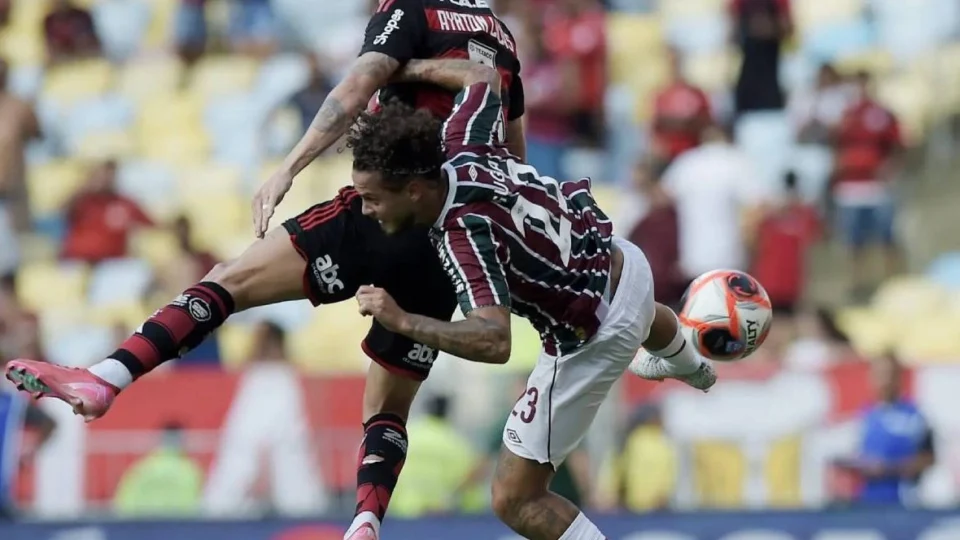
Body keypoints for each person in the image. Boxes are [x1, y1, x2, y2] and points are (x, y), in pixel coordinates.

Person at [7, 2, 526, 539]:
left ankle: (107, 377)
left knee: (229, 282)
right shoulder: (502, 36)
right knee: (387, 405)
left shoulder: (408, 11)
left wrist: (288, 167)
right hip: (448, 233)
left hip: (381, 205)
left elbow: (352, 91)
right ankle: (366, 521)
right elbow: (515, 161)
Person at [346, 59, 716, 540]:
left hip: (596, 332)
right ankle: (693, 367)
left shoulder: (462, 237)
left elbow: (493, 339)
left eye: (372, 198)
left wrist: (401, 319)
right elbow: (481, 78)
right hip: (621, 258)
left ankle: (687, 366)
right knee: (646, 313)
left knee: (515, 497)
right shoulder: (463, 140)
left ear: (414, 191)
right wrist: (412, 65)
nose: (365, 210)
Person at [835, 353, 935, 506]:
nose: (885, 380)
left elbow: (928, 458)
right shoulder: (860, 417)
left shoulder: (915, 417)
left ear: (899, 377)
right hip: (867, 503)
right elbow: (846, 459)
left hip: (905, 503)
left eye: (890, 374)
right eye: (879, 374)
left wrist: (890, 468)